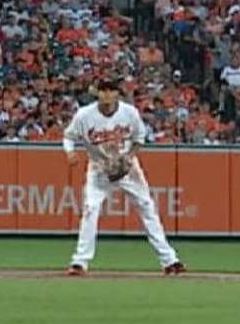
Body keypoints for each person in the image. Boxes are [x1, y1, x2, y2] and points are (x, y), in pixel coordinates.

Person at [62, 77, 186, 277]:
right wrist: (69, 152)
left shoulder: (129, 113)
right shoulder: (85, 115)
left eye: (111, 90)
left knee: (147, 207)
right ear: (97, 93)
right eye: (103, 90)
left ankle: (170, 260)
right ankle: (79, 262)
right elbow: (68, 136)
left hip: (128, 167)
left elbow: (139, 139)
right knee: (90, 209)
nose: (107, 94)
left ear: (118, 93)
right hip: (99, 168)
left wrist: (128, 158)